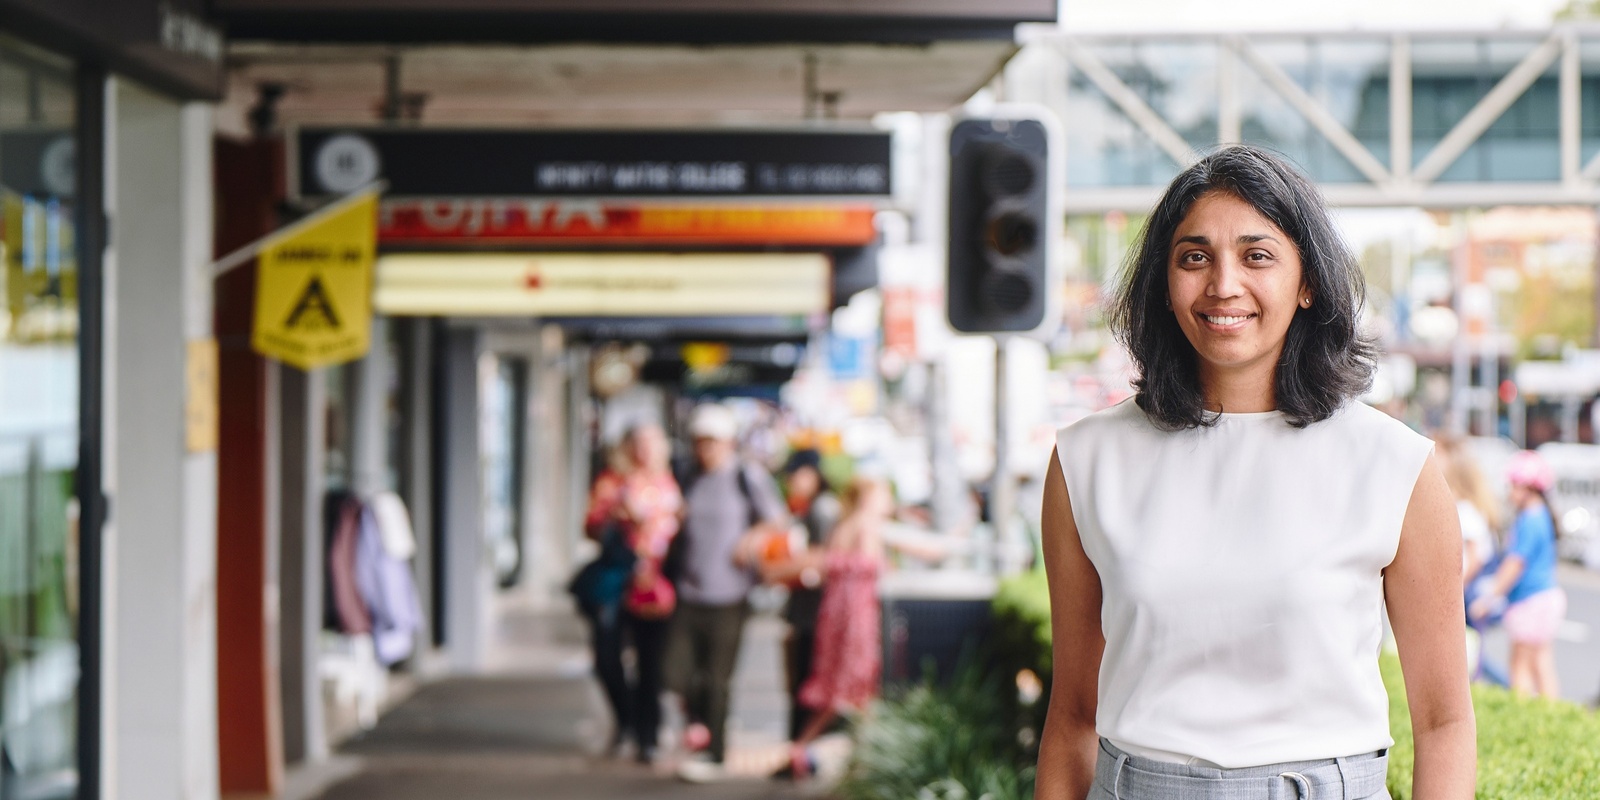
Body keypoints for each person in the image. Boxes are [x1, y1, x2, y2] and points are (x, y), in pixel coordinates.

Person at [1036, 146, 1476, 799]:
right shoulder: (1086, 460)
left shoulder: (1395, 465)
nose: (1223, 284)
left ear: (1308, 282)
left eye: (1257, 255)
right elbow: (1072, 715)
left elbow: (1443, 723)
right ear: (1163, 282)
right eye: (1194, 257)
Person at [665, 403, 787, 782]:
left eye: (713, 442)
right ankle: (698, 725)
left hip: (731, 594)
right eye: (700, 442)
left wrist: (750, 539)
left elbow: (777, 519)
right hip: (688, 589)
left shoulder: (746, 477)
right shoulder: (687, 476)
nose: (706, 450)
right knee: (676, 672)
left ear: (729, 443)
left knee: (718, 678)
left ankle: (715, 751)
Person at [580, 423, 682, 763]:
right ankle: (626, 721)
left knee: (650, 660)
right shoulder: (611, 482)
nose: (644, 451)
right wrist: (615, 517)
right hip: (617, 580)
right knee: (606, 657)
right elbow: (591, 527)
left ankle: (647, 733)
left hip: (656, 582)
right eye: (637, 443)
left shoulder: (670, 483)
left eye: (650, 443)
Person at [788, 476, 893, 779]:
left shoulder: (844, 525)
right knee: (856, 687)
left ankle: (802, 748)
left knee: (841, 686)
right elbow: (872, 563)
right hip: (857, 615)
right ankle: (862, 762)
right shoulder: (866, 526)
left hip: (835, 611)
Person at [1469, 450, 1566, 699]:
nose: (1509, 492)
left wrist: (1488, 598)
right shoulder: (1541, 515)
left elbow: (1514, 565)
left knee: (1520, 665)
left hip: (1529, 602)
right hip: (1546, 598)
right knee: (1541, 662)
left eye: (1513, 486)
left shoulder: (1529, 520)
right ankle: (1551, 714)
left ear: (1529, 487)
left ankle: (1522, 711)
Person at [777, 449, 843, 746]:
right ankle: (798, 749)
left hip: (818, 613)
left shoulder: (823, 509)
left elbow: (825, 557)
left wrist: (777, 568)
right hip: (805, 610)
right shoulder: (805, 510)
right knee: (800, 681)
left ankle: (802, 751)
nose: (791, 481)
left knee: (809, 682)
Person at [1434, 435, 1507, 686]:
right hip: (1465, 590)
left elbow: (1477, 555)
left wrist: (1455, 585)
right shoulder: (1464, 506)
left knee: (1469, 652)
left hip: (1466, 591)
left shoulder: (1466, 510)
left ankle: (1508, 687)